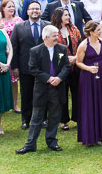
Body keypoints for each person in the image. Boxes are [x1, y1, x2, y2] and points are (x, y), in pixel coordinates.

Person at [16, 25, 72, 154]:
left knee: (54, 116)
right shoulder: (35, 51)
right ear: (46, 37)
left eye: (57, 35)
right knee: (36, 118)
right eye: (54, 36)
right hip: (42, 89)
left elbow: (66, 66)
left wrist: (59, 78)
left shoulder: (62, 48)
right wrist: (48, 78)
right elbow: (33, 68)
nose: (57, 38)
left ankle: (52, 141)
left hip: (57, 89)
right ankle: (30, 144)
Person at [10, 1, 47, 130]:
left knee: (42, 94)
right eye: (32, 9)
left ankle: (43, 119)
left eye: (37, 8)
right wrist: (14, 67)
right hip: (25, 67)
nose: (35, 11)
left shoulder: (47, 26)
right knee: (26, 94)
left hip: (44, 68)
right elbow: (13, 48)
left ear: (40, 11)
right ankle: (26, 119)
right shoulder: (19, 27)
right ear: (27, 11)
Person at [76, 20, 102, 146]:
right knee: (90, 104)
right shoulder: (83, 45)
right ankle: (90, 136)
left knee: (101, 102)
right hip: (88, 78)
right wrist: (89, 68)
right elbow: (78, 62)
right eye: (98, 30)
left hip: (101, 75)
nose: (100, 32)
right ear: (91, 32)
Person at [51, 7, 83, 130]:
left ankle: (77, 117)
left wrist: (75, 57)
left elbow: (80, 45)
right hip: (60, 67)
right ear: (59, 17)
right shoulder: (53, 31)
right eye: (65, 15)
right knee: (62, 94)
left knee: (76, 93)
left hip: (75, 66)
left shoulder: (74, 29)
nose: (68, 17)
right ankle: (63, 120)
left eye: (69, 15)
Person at [0, 0, 23, 114]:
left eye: (13, 6)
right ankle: (2, 103)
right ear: (3, 8)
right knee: (1, 79)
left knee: (14, 80)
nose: (12, 8)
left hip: (15, 53)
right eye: (9, 6)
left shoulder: (19, 20)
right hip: (1, 54)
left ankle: (15, 104)